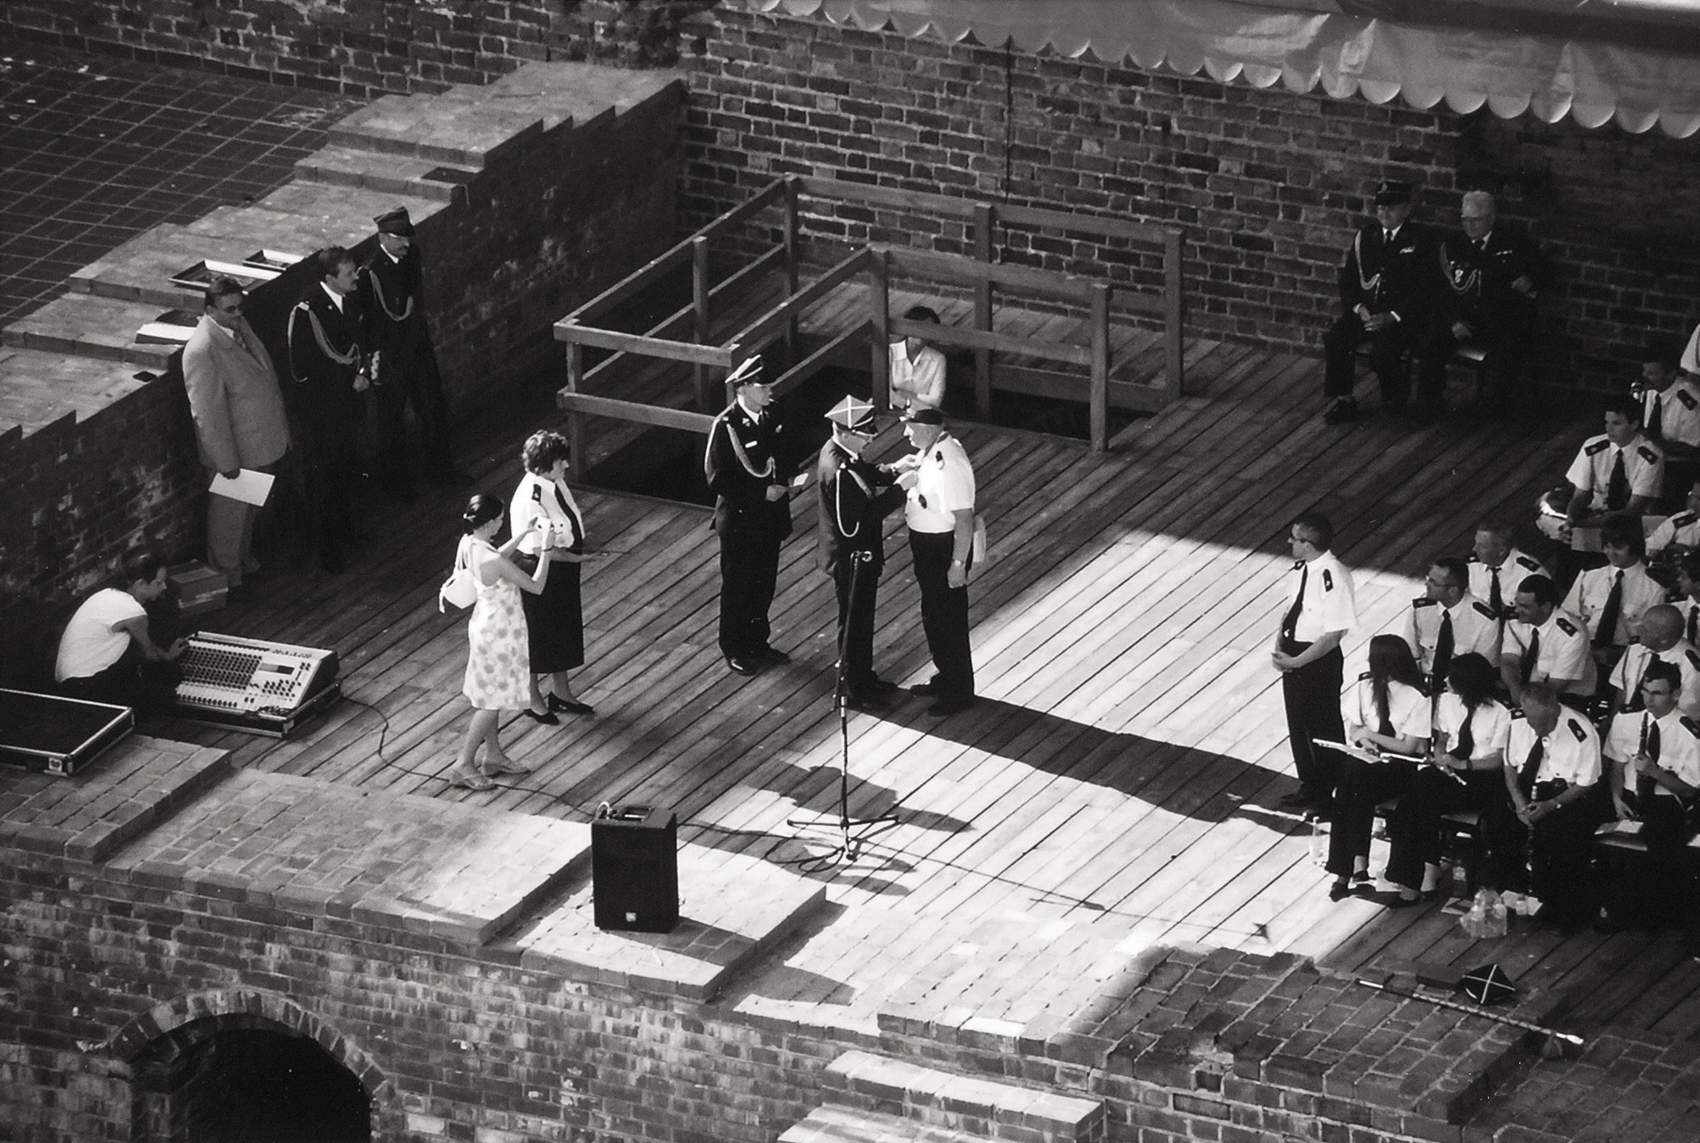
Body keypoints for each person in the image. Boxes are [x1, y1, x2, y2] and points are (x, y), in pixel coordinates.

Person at [180, 276, 290, 600]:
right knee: (228, 518)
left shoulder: (237, 327)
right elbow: (207, 413)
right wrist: (225, 461)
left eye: (240, 306)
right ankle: (227, 578)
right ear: (210, 310)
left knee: (248, 511)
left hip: (258, 443)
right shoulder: (201, 350)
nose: (238, 314)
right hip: (237, 451)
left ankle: (242, 565)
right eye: (230, 309)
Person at [1384, 653, 1512, 905]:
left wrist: (1464, 764)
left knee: (1418, 801)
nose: (1445, 681)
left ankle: (1417, 880)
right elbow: (1442, 738)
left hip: (1481, 775)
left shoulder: (1501, 712)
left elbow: (1499, 759)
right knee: (1413, 803)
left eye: (1451, 678)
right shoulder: (1447, 701)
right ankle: (1422, 874)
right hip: (1449, 770)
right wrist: (1441, 758)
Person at [449, 494, 553, 791]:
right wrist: (546, 550)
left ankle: (493, 755)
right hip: (500, 634)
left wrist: (523, 533)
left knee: (489, 696)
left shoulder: (470, 543)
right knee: (491, 703)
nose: (502, 523)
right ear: (491, 521)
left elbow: (496, 559)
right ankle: (463, 764)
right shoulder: (491, 559)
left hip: (485, 625)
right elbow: (536, 585)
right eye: (500, 519)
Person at [1482, 683, 1605, 930]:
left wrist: (1552, 804)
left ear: (1554, 710)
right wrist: (1518, 801)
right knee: (1498, 823)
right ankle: (1512, 893)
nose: (1535, 729)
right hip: (1526, 788)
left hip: (1565, 794)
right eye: (1531, 721)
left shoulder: (1581, 730)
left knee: (1560, 836)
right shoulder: (1517, 722)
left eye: (1541, 723)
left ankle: (1560, 907)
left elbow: (1587, 782)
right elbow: (1509, 766)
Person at [359, 206, 460, 498]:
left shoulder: (411, 256)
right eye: (398, 239)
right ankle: (397, 485)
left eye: (407, 238)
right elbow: (369, 320)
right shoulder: (369, 273)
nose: (405, 244)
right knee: (391, 420)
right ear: (382, 238)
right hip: (391, 355)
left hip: (418, 347)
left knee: (433, 407)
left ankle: (440, 470)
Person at [1414, 190, 1542, 419]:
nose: (1469, 225)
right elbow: (1439, 289)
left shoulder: (1513, 243)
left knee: (1512, 348)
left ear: (1491, 218)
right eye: (1465, 219)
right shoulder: (1452, 245)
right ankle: (1430, 401)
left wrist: (1530, 280)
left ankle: (1497, 405)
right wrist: (1454, 320)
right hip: (1463, 318)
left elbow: (1544, 270)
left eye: (1476, 220)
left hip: (1499, 319)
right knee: (1430, 343)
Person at [704, 357, 795, 676]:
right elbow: (717, 478)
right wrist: (760, 493)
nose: (770, 391)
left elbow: (786, 452)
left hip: (770, 517)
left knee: (763, 583)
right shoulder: (727, 426)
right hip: (742, 520)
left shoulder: (774, 414)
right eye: (763, 387)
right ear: (742, 389)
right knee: (738, 587)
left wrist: (785, 480)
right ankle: (734, 648)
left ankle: (757, 642)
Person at [815, 395, 906, 710]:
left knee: (861, 620)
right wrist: (899, 492)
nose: (870, 439)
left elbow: (863, 472)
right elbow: (853, 525)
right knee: (855, 623)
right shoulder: (839, 470)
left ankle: (863, 676)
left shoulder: (842, 454)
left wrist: (893, 470)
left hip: (857, 556)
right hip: (853, 558)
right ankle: (854, 689)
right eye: (864, 434)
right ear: (845, 432)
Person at [1320, 180, 1437, 424]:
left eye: (1391, 208)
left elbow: (1424, 289)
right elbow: (1348, 281)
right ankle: (1344, 399)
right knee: (1337, 338)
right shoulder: (1366, 237)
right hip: (1368, 311)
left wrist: (1393, 316)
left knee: (1383, 352)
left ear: (1406, 209)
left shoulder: (1420, 240)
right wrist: (1359, 308)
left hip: (1400, 316)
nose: (1384, 213)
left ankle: (1395, 400)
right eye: (1380, 208)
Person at [1324, 635, 1431, 901]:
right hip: (1367, 760)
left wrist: (1371, 736)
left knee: (1352, 786)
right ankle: (1352, 866)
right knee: (1349, 787)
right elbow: (1354, 727)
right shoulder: (1365, 686)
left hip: (1398, 765)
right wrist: (1364, 741)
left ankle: (1349, 867)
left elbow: (1408, 746)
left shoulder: (1417, 697)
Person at [1598, 659, 1700, 932]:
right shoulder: (1627, 719)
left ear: (1675, 694)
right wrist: (1617, 799)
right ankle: (1610, 908)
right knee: (1594, 833)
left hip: (1666, 799)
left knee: (1659, 845)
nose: (1649, 699)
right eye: (1645, 691)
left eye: (1657, 693)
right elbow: (1617, 766)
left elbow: (1689, 790)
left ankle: (1652, 915)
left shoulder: (1688, 732)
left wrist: (1655, 772)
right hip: (1629, 795)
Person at [287, 245, 371, 574]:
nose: (355, 278)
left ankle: (345, 531)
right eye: (348, 274)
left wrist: (362, 372)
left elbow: (357, 345)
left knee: (345, 470)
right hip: (322, 412)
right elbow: (303, 368)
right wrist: (349, 380)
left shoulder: (349, 299)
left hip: (347, 405)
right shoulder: (307, 312)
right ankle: (326, 549)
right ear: (330, 278)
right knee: (323, 479)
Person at [896, 406, 977, 716]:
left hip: (943, 549)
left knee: (949, 620)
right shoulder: (930, 451)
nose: (905, 433)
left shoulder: (949, 462)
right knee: (934, 615)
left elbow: (964, 519)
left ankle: (959, 691)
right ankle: (946, 676)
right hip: (927, 546)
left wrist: (957, 565)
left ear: (928, 430)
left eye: (910, 427)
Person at [509, 430, 595, 719]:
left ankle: (561, 691)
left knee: (563, 628)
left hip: (564, 565)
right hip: (541, 567)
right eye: (560, 461)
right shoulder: (530, 498)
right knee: (538, 633)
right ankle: (531, 696)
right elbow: (540, 547)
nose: (566, 465)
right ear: (544, 464)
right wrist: (576, 556)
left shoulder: (554, 481)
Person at [1273, 511, 1357, 812]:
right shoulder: (1303, 569)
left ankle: (1329, 793)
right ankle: (1309, 784)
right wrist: (1280, 646)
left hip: (1317, 659)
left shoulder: (1334, 577)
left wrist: (1297, 662)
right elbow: (1291, 610)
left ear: (1308, 544)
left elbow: (1332, 636)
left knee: (1323, 728)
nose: (1290, 542)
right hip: (1295, 654)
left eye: (1294, 539)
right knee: (1300, 727)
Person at [54, 553, 187, 717]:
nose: (164, 587)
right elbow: (150, 655)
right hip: (85, 685)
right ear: (140, 584)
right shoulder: (135, 613)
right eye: (158, 583)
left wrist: (165, 656)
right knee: (168, 686)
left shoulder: (107, 594)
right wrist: (168, 658)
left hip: (70, 681)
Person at [1561, 515, 1666, 668]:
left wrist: (1616, 655)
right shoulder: (1590, 575)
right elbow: (1568, 617)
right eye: (1606, 546)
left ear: (1634, 545)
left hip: (1629, 658)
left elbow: (1656, 637)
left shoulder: (1654, 586)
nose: (1610, 553)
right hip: (1584, 652)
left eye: (1618, 547)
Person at [1401, 556, 1500, 700]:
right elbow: (1409, 654)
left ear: (1453, 590)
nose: (1426, 584)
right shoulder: (1420, 609)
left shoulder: (1485, 621)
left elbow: (1481, 671)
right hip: (1423, 686)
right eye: (1428, 578)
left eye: (1433, 582)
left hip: (1461, 692)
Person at [1563, 395, 1665, 531]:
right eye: (1607, 422)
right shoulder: (1592, 447)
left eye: (1616, 423)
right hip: (1595, 513)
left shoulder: (1651, 455)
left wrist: (1589, 525)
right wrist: (1571, 517)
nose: (1609, 429)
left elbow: (1634, 508)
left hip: (1630, 523)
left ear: (1634, 424)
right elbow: (1580, 495)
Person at [1499, 575, 1595, 707]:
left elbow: (1557, 685)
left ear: (1546, 607)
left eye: (1524, 606)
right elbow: (1509, 660)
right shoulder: (1514, 621)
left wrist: (1524, 700)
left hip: (1567, 695)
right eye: (1517, 603)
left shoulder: (1572, 634)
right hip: (1525, 689)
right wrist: (1514, 689)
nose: (1517, 610)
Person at [1602, 605, 1700, 721]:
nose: (1638, 630)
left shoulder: (1690, 666)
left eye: (1645, 629)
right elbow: (1623, 689)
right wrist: (1613, 720)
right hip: (1627, 723)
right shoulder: (1636, 648)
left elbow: (1686, 713)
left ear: (1664, 640)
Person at [1634, 337, 1700, 465]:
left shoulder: (1690, 401)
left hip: (1678, 466)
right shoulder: (1652, 388)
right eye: (1644, 370)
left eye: (1651, 373)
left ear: (1670, 374)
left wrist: (1651, 440)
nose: (1644, 376)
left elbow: (1692, 449)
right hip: (1647, 461)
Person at [1465, 524, 1548, 622]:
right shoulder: (1471, 566)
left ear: (1501, 550)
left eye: (1482, 546)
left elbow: (1542, 614)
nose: (1474, 549)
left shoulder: (1529, 573)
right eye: (1476, 544)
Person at [889, 305, 945, 413]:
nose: (922, 333)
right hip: (891, 411)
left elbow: (935, 400)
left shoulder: (938, 359)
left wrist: (903, 394)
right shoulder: (890, 352)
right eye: (918, 327)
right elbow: (885, 393)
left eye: (928, 329)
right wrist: (912, 401)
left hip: (922, 416)